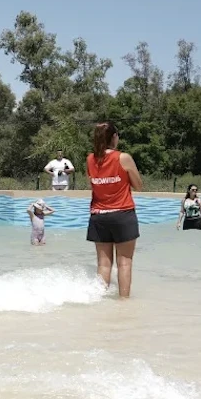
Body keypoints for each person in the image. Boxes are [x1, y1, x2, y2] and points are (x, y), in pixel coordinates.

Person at [86, 121, 142, 299]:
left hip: (99, 216)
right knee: (124, 263)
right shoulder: (123, 157)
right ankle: (124, 303)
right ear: (114, 137)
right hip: (122, 214)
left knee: (103, 264)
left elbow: (93, 186)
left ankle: (100, 300)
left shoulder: (90, 159)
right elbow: (138, 186)